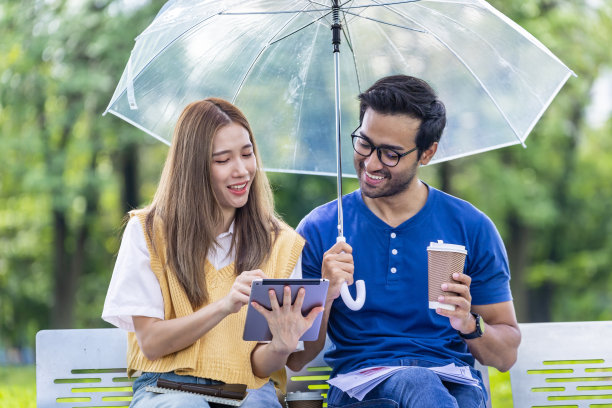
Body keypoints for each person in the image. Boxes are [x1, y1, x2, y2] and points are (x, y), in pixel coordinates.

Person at [288, 75, 521, 408]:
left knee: (445, 392)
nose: (370, 163)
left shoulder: (472, 227)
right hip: (361, 392)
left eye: (390, 154)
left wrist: (468, 322)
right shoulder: (320, 229)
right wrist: (324, 295)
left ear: (426, 153)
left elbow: (506, 356)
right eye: (364, 143)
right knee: (418, 382)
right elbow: (297, 359)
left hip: (455, 386)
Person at [102, 98, 322, 408]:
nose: (242, 170)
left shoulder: (282, 244)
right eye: (223, 160)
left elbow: (259, 366)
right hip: (168, 389)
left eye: (247, 154)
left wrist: (282, 346)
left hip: (248, 393)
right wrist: (223, 306)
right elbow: (150, 342)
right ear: (193, 167)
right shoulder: (148, 232)